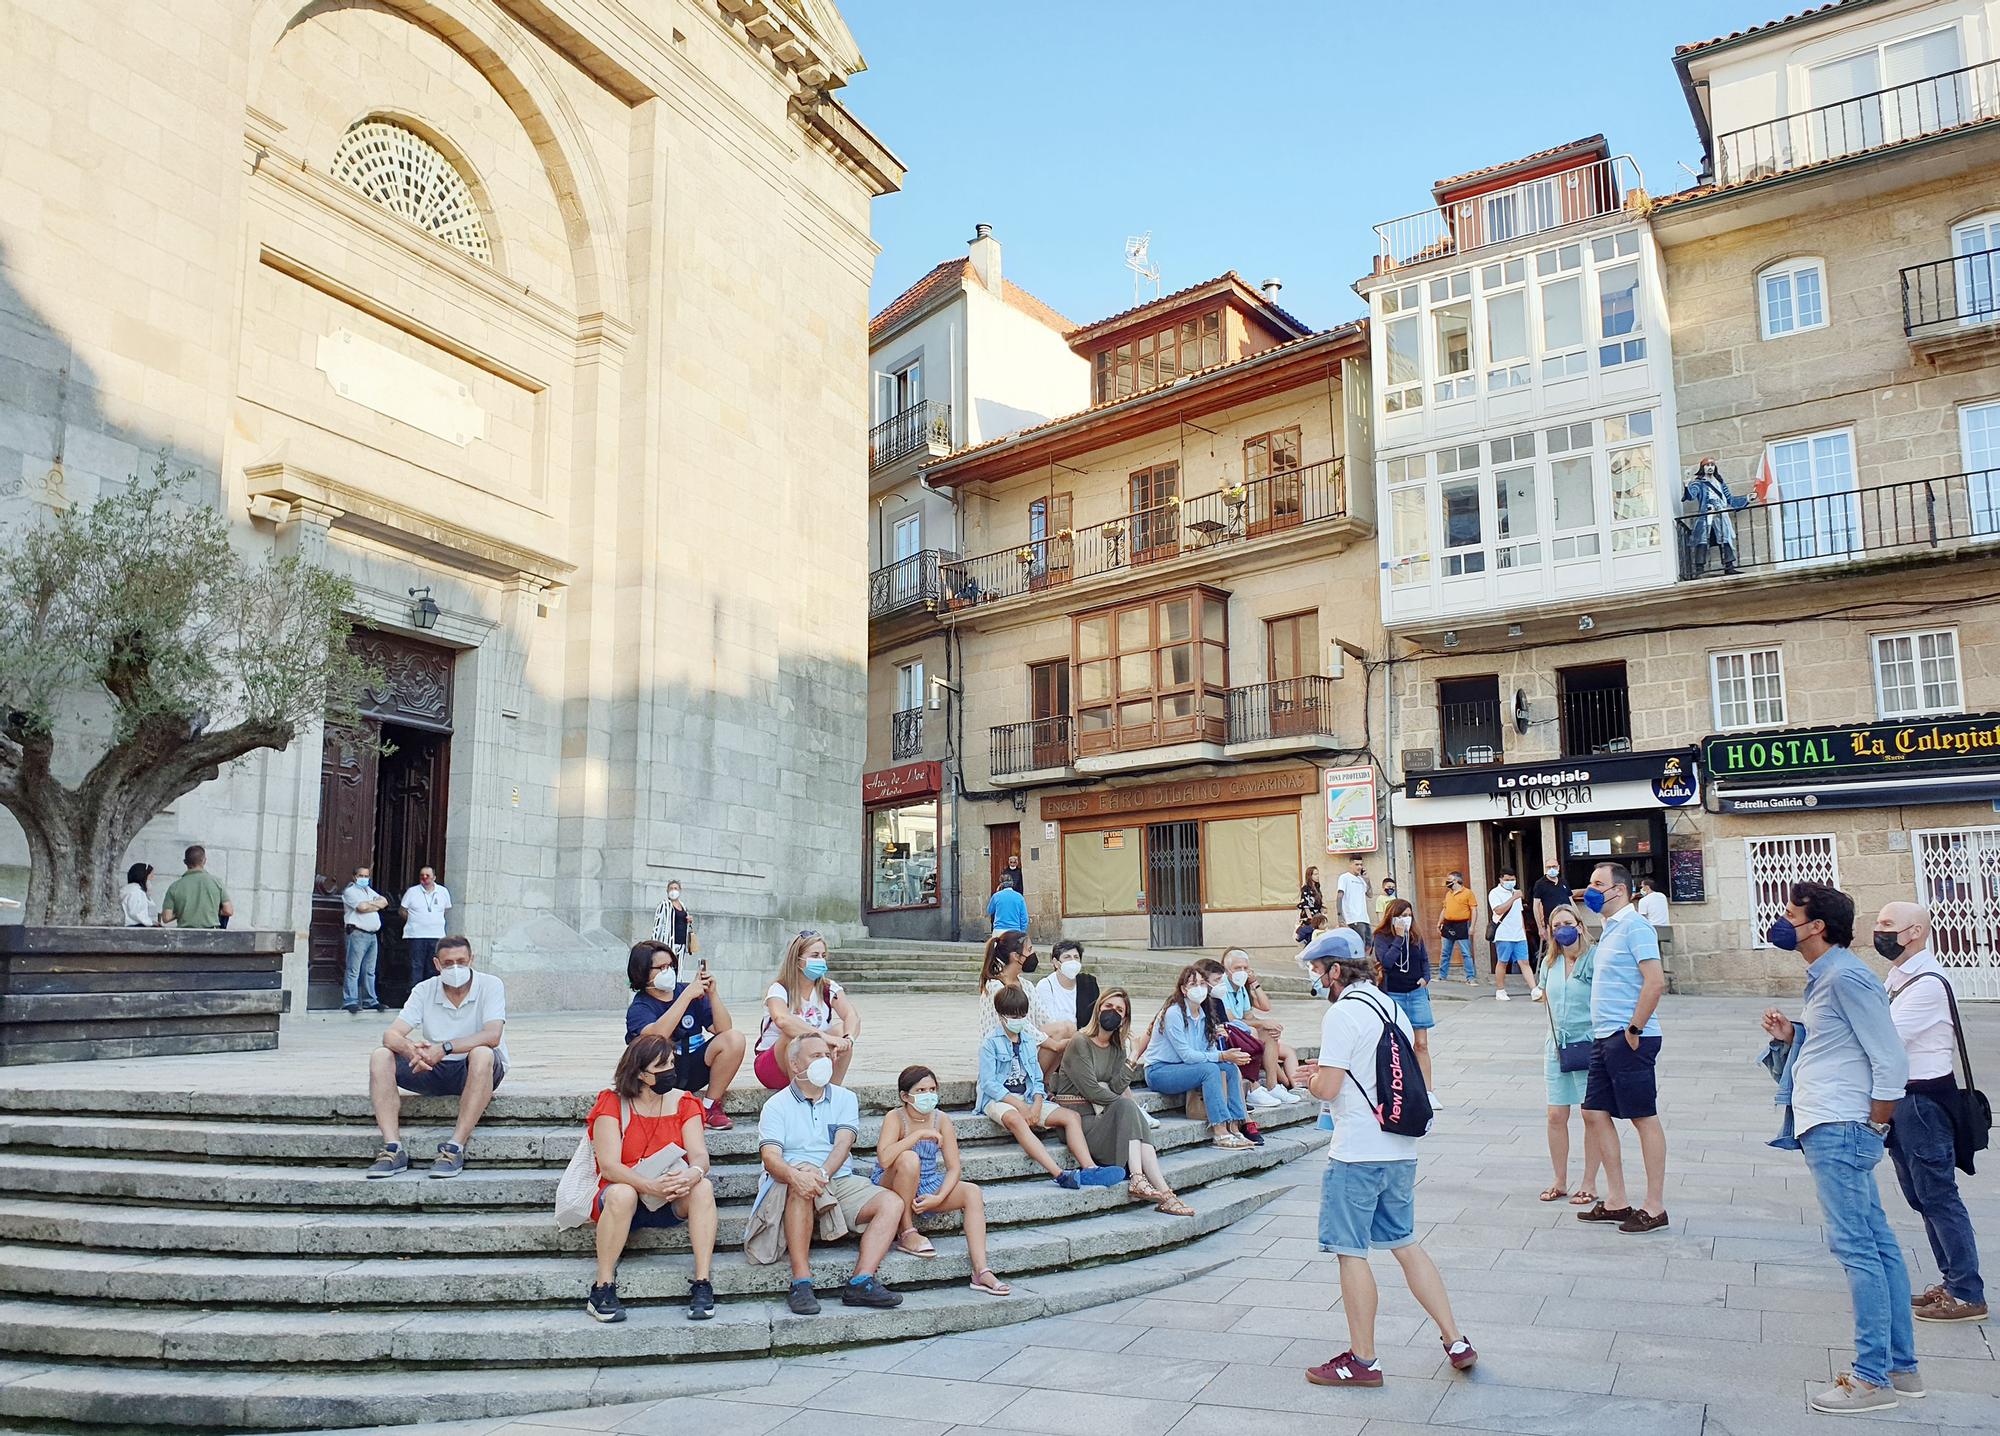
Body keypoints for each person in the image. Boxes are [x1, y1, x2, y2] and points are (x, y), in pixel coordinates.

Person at [1759, 883, 1919, 1412]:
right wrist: (1793, 1036)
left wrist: (1874, 1127)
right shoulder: (1827, 977)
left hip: (1841, 1127)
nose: (1782, 922)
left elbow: (1890, 1061)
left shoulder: (1846, 977)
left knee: (1858, 1250)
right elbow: (1842, 1045)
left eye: (1790, 915)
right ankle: (1901, 1366)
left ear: (1817, 926)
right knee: (1877, 1244)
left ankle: (1871, 1376)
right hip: (1833, 1122)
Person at [1300, 928, 1477, 1388]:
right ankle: (1455, 1339)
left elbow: (1331, 1086)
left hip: (1357, 1152)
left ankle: (1363, 1360)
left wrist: (1309, 1081)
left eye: (1319, 971)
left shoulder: (1342, 1015)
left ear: (1336, 970)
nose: (1317, 980)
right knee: (1404, 1241)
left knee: (1349, 1251)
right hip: (1399, 1147)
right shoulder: (1388, 1004)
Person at [1874, 901, 1985, 1324]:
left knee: (1939, 1197)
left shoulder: (1927, 983)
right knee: (1921, 1197)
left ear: (1915, 932)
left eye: (1888, 925)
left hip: (1923, 1103)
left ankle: (1966, 1292)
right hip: (1902, 1100)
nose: (1879, 931)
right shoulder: (1899, 978)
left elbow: (1886, 1040)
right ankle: (1952, 1280)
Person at [754, 1032, 904, 1314]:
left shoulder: (845, 1098)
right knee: (800, 1184)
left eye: (827, 1055)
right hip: (793, 1180)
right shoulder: (776, 1105)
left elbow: (843, 1143)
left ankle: (862, 1280)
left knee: (892, 1203)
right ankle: (801, 1281)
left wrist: (822, 1172)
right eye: (815, 1056)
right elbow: (770, 1158)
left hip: (836, 1178)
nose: (825, 1060)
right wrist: (798, 1175)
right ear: (796, 1065)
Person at [583, 1032, 719, 1324]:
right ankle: (602, 1288)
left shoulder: (684, 1102)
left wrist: (692, 1175)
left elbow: (699, 1155)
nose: (671, 1071)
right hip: (623, 1197)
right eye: (662, 1067)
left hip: (668, 1195)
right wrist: (647, 1185)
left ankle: (702, 1283)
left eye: (672, 1062)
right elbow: (608, 1166)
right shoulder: (612, 1102)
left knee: (703, 1187)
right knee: (623, 1193)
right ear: (641, 1074)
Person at [364, 936, 507, 1180]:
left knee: (482, 1053)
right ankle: (392, 1148)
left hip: (473, 1068)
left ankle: (455, 1147)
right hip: (431, 1069)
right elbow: (391, 1034)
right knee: (381, 1055)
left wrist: (445, 1048)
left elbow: (493, 1035)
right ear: (437, 964)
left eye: (461, 961)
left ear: (471, 960)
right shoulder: (425, 989)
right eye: (448, 962)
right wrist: (412, 1050)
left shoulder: (490, 985)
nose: (455, 968)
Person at [1576, 862, 1669, 1234]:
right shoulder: (1609, 930)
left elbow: (1655, 982)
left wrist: (1634, 1029)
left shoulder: (1636, 927)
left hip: (1628, 1037)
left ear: (1620, 889)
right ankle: (1616, 1200)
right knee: (1593, 1112)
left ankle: (1655, 1206)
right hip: (1604, 1037)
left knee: (1642, 1117)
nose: (1590, 889)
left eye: (1598, 884)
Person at [872, 1064, 1010, 1294]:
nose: (929, 1095)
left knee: (972, 1192)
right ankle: (906, 1232)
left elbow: (954, 1168)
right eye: (921, 1091)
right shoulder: (895, 1117)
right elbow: (885, 1159)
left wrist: (938, 1197)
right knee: (909, 1158)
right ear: (905, 1096)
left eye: (932, 1089)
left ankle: (981, 1271)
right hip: (892, 1181)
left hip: (927, 1182)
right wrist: (917, 1135)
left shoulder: (941, 1119)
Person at [1058, 988, 1192, 1215]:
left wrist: (1133, 1055)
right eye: (1108, 1006)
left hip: (1102, 1119)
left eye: (1119, 1010)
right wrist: (1128, 1110)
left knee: (1129, 1109)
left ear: (1124, 1018)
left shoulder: (1116, 1048)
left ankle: (1164, 1192)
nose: (1112, 1012)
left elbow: (1118, 1086)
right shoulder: (1080, 1042)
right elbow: (1092, 1091)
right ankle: (1141, 1181)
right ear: (1099, 1008)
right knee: (1128, 1107)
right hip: (1078, 1122)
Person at [977, 985, 1119, 1188]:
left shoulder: (1027, 1041)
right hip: (999, 1099)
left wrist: (1035, 1104)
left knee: (1071, 1117)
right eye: (1012, 1015)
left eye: (1021, 1015)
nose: (1017, 1020)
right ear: (1001, 1016)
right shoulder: (990, 1043)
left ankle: (1089, 1169)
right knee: (1017, 1120)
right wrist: (1022, 1108)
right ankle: (1060, 1174)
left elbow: (1036, 1079)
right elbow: (989, 1084)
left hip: (1027, 1097)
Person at [624, 940, 746, 1130]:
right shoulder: (641, 1007)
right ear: (643, 971)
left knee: (734, 1038)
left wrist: (712, 995)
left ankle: (710, 1107)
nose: (668, 972)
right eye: (660, 967)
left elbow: (723, 1029)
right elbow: (656, 1037)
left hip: (694, 1065)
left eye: (670, 966)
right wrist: (685, 997)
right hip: (660, 1075)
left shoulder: (688, 991)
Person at [1142, 964, 1254, 1150]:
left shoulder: (1205, 1013)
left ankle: (1234, 1125)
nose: (1199, 988)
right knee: (1210, 1069)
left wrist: (1226, 1057)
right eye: (1193, 984)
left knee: (1230, 1068)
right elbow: (1187, 1055)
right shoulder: (1174, 1013)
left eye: (1202, 983)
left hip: (1188, 1069)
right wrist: (1222, 1055)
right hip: (1160, 1071)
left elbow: (1207, 1051)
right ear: (1184, 989)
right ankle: (1220, 1131)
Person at [1535, 904, 1602, 1207]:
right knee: (1555, 1115)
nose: (1562, 928)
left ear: (1578, 925)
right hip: (1557, 1045)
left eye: (1567, 922)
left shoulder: (1594, 958)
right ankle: (1559, 1180)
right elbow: (1544, 994)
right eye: (1556, 924)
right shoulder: (1549, 962)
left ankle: (1589, 1183)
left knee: (1592, 1115)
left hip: (1588, 1043)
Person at [752, 930, 859, 1090]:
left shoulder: (828, 988)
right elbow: (782, 1020)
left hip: (814, 1059)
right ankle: (799, 1098)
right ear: (797, 960)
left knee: (842, 1031)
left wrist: (848, 1039)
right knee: (793, 1036)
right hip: (775, 1066)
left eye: (823, 956)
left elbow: (851, 1015)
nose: (821, 960)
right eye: (815, 955)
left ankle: (832, 1094)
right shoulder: (779, 988)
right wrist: (823, 1037)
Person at [1219, 947, 1304, 1107]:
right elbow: (1231, 1020)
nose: (1242, 971)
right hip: (1225, 1032)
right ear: (1227, 969)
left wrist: (1267, 1023)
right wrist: (1262, 1023)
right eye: (1238, 968)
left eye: (1245, 968)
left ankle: (1272, 1086)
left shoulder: (1242, 987)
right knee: (1253, 1031)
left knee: (1269, 1031)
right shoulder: (1222, 986)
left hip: (1238, 1031)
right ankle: (1253, 1087)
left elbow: (1250, 1016)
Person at [1372, 898, 1433, 1089]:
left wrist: (1426, 977)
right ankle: (1403, 1089)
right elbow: (1387, 962)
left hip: (1416, 992)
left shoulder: (1416, 935)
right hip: (1394, 994)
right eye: (1401, 916)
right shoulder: (1381, 937)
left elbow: (1424, 959)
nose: (1406, 919)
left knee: (1421, 1044)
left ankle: (1428, 1090)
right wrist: (1399, 938)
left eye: (1409, 916)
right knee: (1398, 1045)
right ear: (1392, 917)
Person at [1029, 938, 1094, 1087]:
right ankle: (1041, 1081)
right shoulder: (1046, 985)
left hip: (1078, 1043)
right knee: (1066, 1028)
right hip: (1052, 1043)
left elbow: (1093, 1018)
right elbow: (1048, 1023)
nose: (1073, 961)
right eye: (1067, 957)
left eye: (1076, 957)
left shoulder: (1088, 983)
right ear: (1056, 962)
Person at [340, 864, 389, 1015]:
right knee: (354, 969)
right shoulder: (350, 892)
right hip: (357, 933)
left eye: (366, 876)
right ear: (355, 877)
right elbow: (361, 907)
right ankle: (350, 1001)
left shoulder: (369, 891)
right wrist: (375, 905)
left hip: (372, 935)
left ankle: (370, 1000)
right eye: (361, 876)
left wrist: (371, 905)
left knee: (369, 970)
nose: (364, 879)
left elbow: (385, 902)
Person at [1683, 456, 1743, 577]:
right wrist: (1686, 485)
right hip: (1707, 514)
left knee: (1725, 538)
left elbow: (1730, 499)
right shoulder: (1699, 483)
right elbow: (1691, 496)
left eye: (1712, 465)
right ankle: (1699, 569)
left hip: (1721, 514)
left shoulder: (1720, 483)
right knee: (1702, 539)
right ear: (1703, 468)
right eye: (1707, 465)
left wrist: (1748, 498)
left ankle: (1729, 566)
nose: (1710, 467)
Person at [977, 928, 1040, 1041]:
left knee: (1064, 1029)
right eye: (1029, 949)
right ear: (1016, 956)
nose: (1033, 953)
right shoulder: (996, 987)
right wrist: (1051, 1043)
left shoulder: (1027, 985)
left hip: (1029, 1042)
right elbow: (1017, 1026)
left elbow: (1042, 1017)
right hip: (1005, 1048)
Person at [398, 867, 452, 989]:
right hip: (416, 936)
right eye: (422, 875)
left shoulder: (443, 891)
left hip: (436, 935)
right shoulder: (412, 892)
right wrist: (414, 920)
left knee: (433, 967)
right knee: (416, 966)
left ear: (434, 877)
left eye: (428, 875)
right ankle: (415, 997)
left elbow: (446, 909)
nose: (425, 878)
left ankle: (432, 996)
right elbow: (402, 910)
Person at [1487, 867, 1534, 1001]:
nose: (1510, 882)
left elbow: (1519, 914)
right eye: (1507, 880)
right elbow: (1498, 910)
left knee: (1524, 962)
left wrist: (1524, 932)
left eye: (1512, 879)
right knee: (1503, 961)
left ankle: (1534, 989)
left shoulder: (1516, 892)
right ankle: (1500, 990)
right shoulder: (1495, 893)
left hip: (1519, 934)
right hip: (1503, 934)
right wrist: (1513, 898)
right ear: (1501, 879)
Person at [160, 845, 232, 929]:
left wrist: (182, 911)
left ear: (185, 862)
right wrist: (212, 911)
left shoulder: (174, 886)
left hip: (184, 936)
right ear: (204, 861)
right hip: (211, 935)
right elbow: (228, 911)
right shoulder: (217, 882)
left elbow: (166, 917)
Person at [1438, 871, 1477, 983]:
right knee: (1445, 952)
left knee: (1466, 953)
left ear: (1456, 880)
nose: (1447, 881)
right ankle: (1442, 976)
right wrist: (1439, 922)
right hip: (1448, 924)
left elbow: (1474, 910)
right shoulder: (1448, 894)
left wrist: (1472, 926)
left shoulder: (1468, 893)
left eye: (1449, 879)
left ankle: (1470, 977)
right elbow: (1444, 909)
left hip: (1462, 924)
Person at [651, 878, 694, 956]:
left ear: (680, 890)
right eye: (671, 888)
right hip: (668, 943)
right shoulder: (664, 905)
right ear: (667, 891)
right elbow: (657, 927)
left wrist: (689, 920)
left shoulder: (683, 906)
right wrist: (654, 945)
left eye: (675, 888)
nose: (673, 890)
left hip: (682, 943)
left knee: (679, 966)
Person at [1335, 856, 1372, 947]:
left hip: (1364, 918)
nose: (1359, 867)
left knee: (1369, 945)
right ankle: (1358, 961)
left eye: (1361, 864)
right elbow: (1339, 896)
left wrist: (1367, 880)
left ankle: (1363, 961)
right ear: (1350, 865)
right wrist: (1340, 916)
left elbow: (1370, 895)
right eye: (1356, 864)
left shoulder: (1361, 879)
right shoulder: (1344, 877)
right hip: (1353, 918)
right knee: (1358, 945)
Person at [1530, 861, 1571, 943]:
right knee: (1554, 948)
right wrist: (1540, 928)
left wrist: (1579, 919)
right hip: (1551, 923)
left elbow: (1571, 901)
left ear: (1558, 867)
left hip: (1568, 921)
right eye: (1549, 867)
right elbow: (1536, 906)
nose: (1552, 869)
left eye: (1554, 866)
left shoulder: (1563, 882)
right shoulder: (1540, 884)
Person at [121, 863, 156, 927]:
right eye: (150, 877)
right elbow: (136, 913)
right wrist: (150, 923)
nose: (152, 880)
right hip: (134, 927)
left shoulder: (130, 889)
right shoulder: (136, 892)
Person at [1297, 865, 1326, 943]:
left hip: (1317, 918)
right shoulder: (1306, 888)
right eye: (1315, 874)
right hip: (1310, 919)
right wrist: (1311, 919)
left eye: (1318, 874)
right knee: (1311, 940)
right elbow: (1305, 905)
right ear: (1310, 876)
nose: (1317, 876)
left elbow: (1319, 904)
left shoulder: (1317, 888)